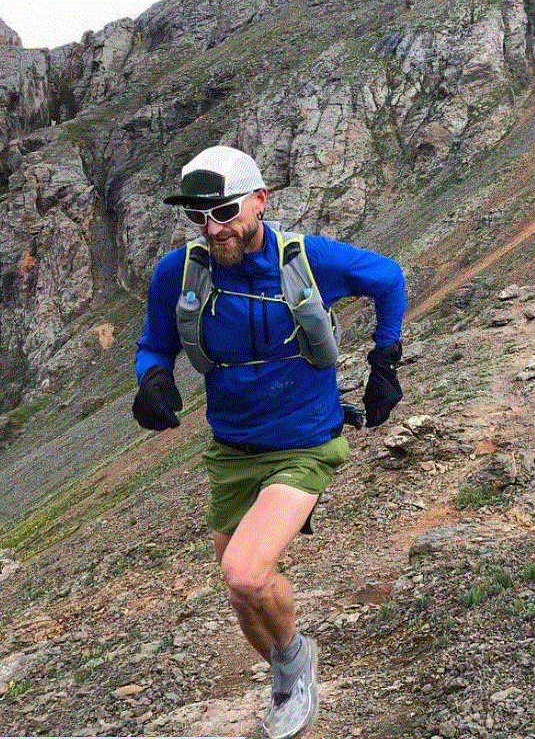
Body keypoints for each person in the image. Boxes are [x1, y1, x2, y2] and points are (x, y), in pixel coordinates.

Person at [132, 145, 406, 739]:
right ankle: (289, 664)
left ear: (260, 200)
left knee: (246, 573)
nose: (214, 228)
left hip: (306, 439)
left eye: (225, 210)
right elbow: (155, 344)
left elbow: (388, 278)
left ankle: (293, 673)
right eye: (200, 217)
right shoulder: (177, 273)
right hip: (231, 446)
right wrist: (152, 379)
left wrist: (386, 359)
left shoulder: (306, 260)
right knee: (242, 592)